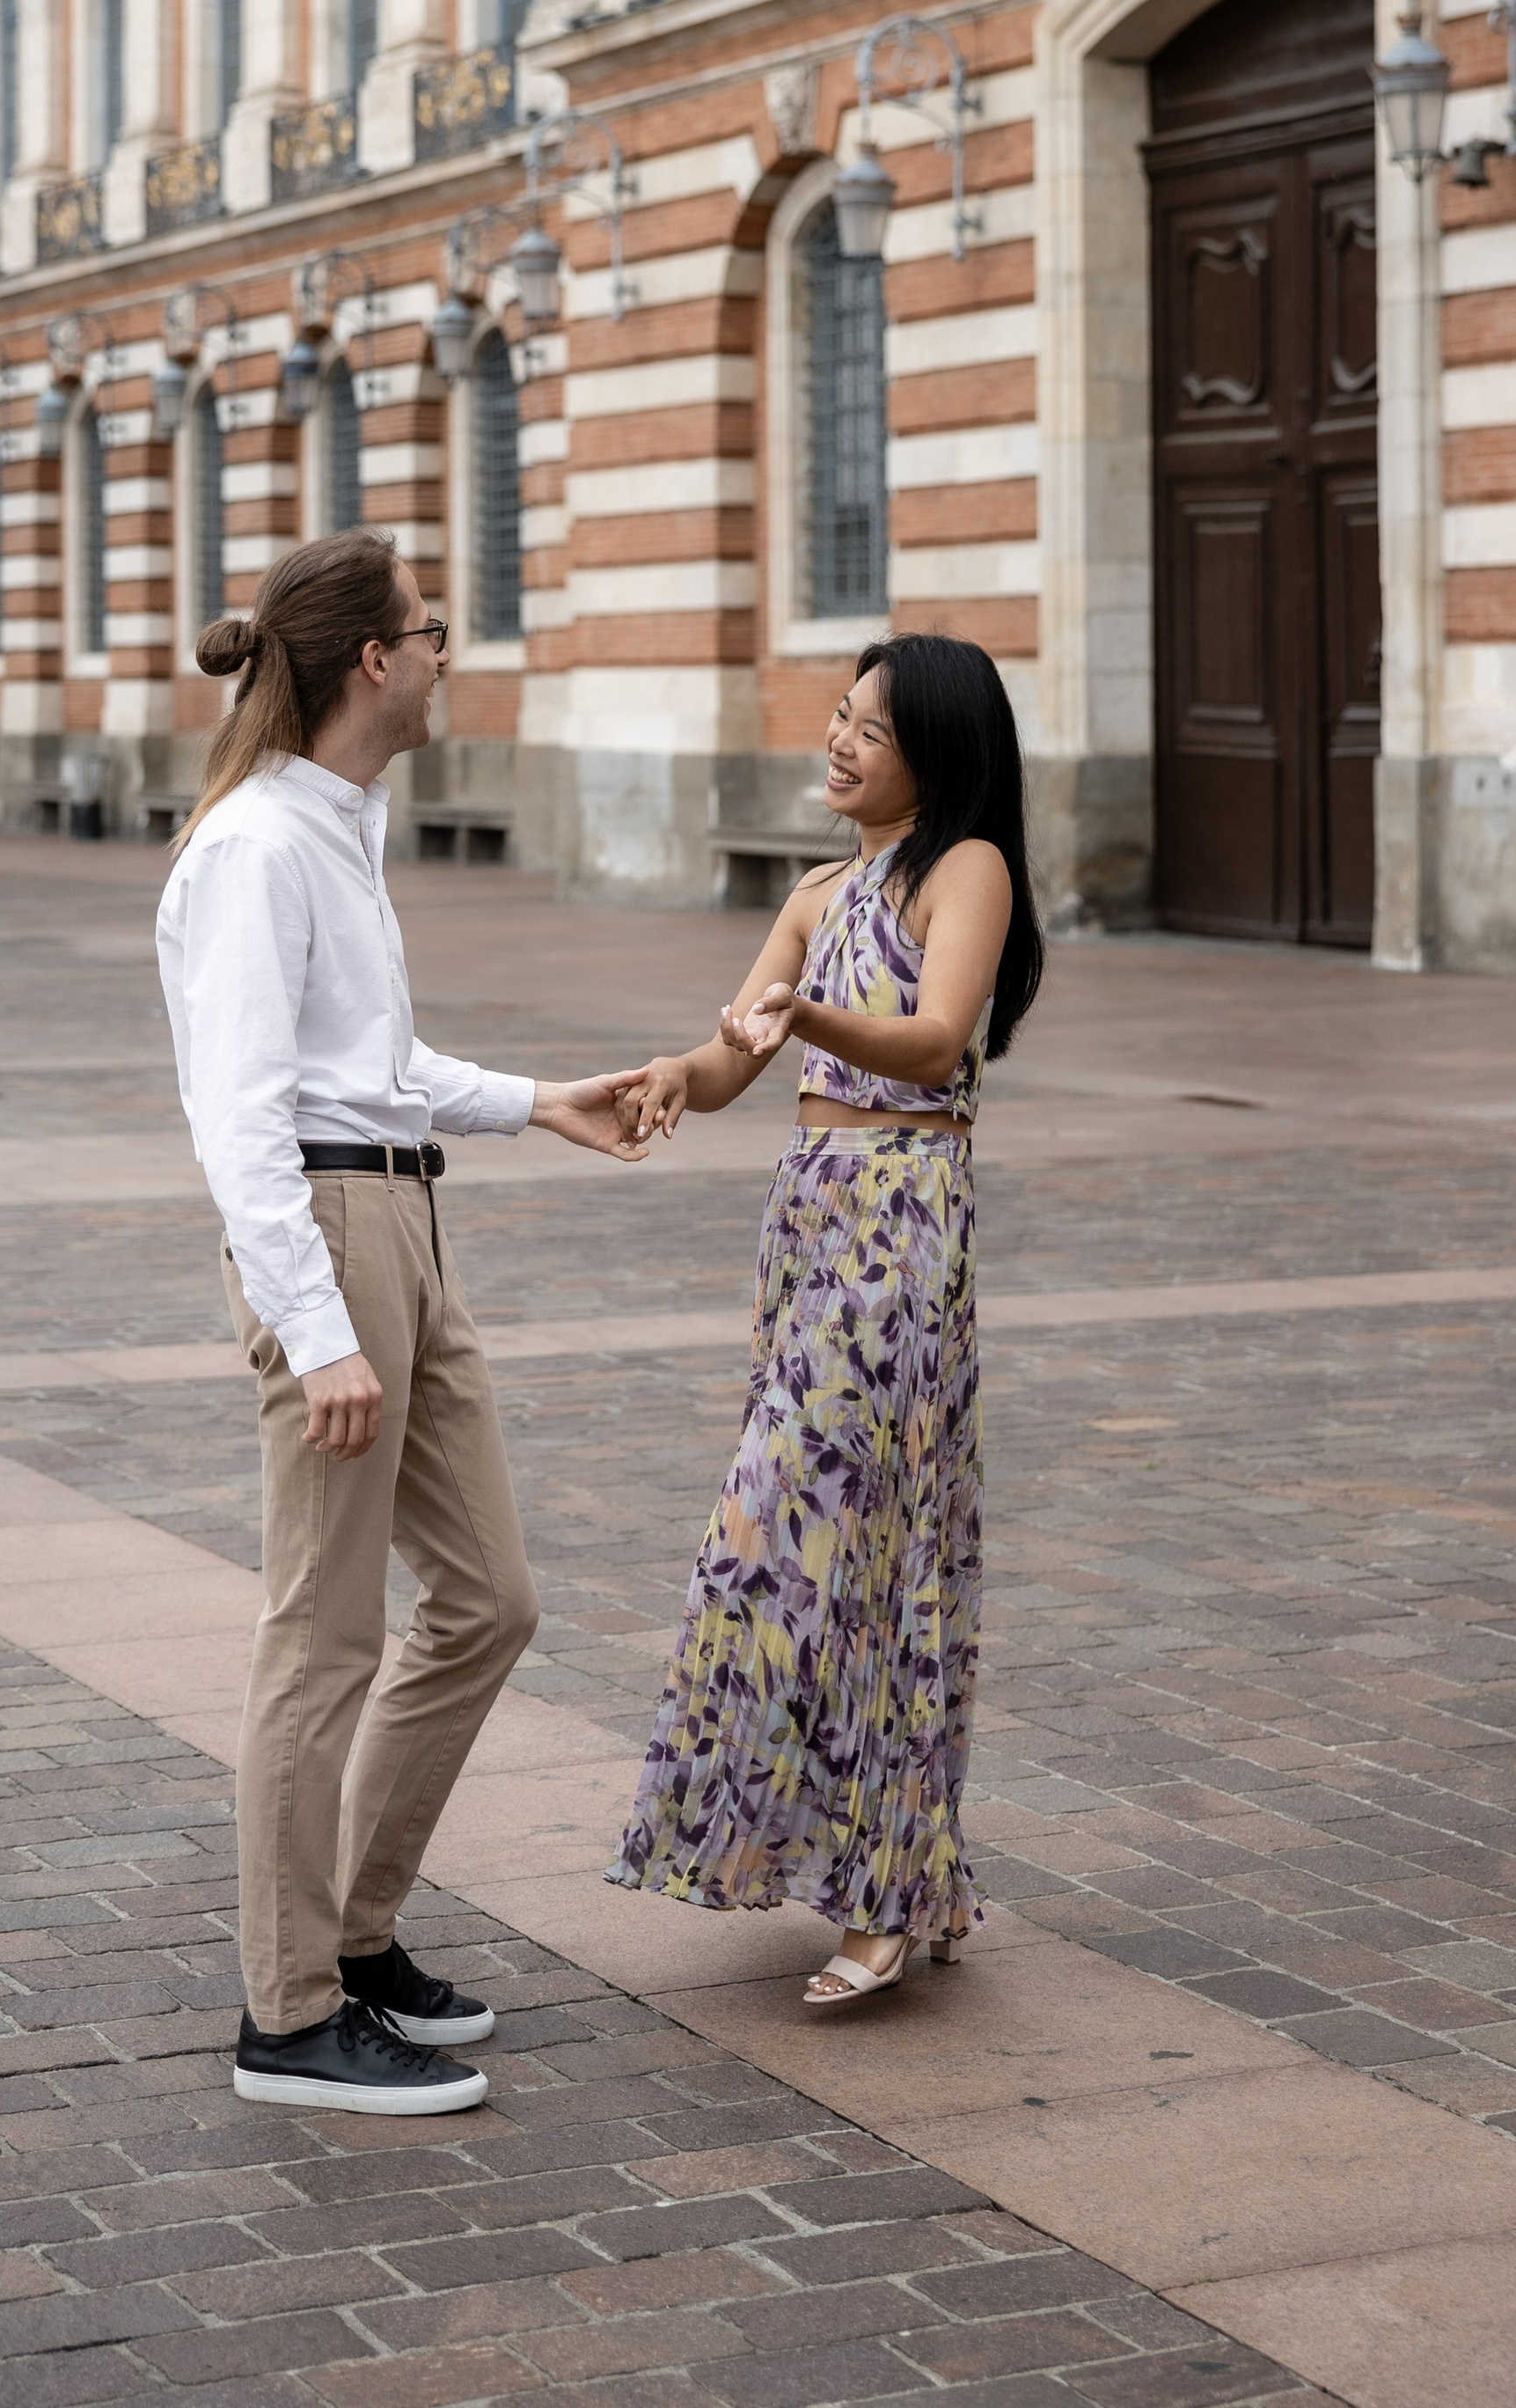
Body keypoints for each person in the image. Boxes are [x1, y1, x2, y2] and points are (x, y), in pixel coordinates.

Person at [156, 529, 649, 2115]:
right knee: (321, 1635)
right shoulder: (255, 851)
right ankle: (289, 2014)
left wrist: (539, 1101)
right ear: (375, 659)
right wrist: (317, 1331)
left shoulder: (339, 830)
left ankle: (356, 1935)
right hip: (327, 1236)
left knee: (489, 1598)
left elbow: (374, 1066)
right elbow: (242, 1121)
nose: (448, 654)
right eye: (434, 631)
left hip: (403, 1219)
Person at [606, 632, 1044, 2008]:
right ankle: (886, 1867)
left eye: (869, 727)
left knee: (859, 1546)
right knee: (790, 1549)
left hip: (903, 1226)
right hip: (810, 1224)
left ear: (936, 750)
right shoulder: (817, 889)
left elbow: (932, 1037)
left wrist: (817, 1019)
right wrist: (681, 1072)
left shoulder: (963, 869)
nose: (840, 743)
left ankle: (892, 1896)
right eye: (838, 719)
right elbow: (741, 1053)